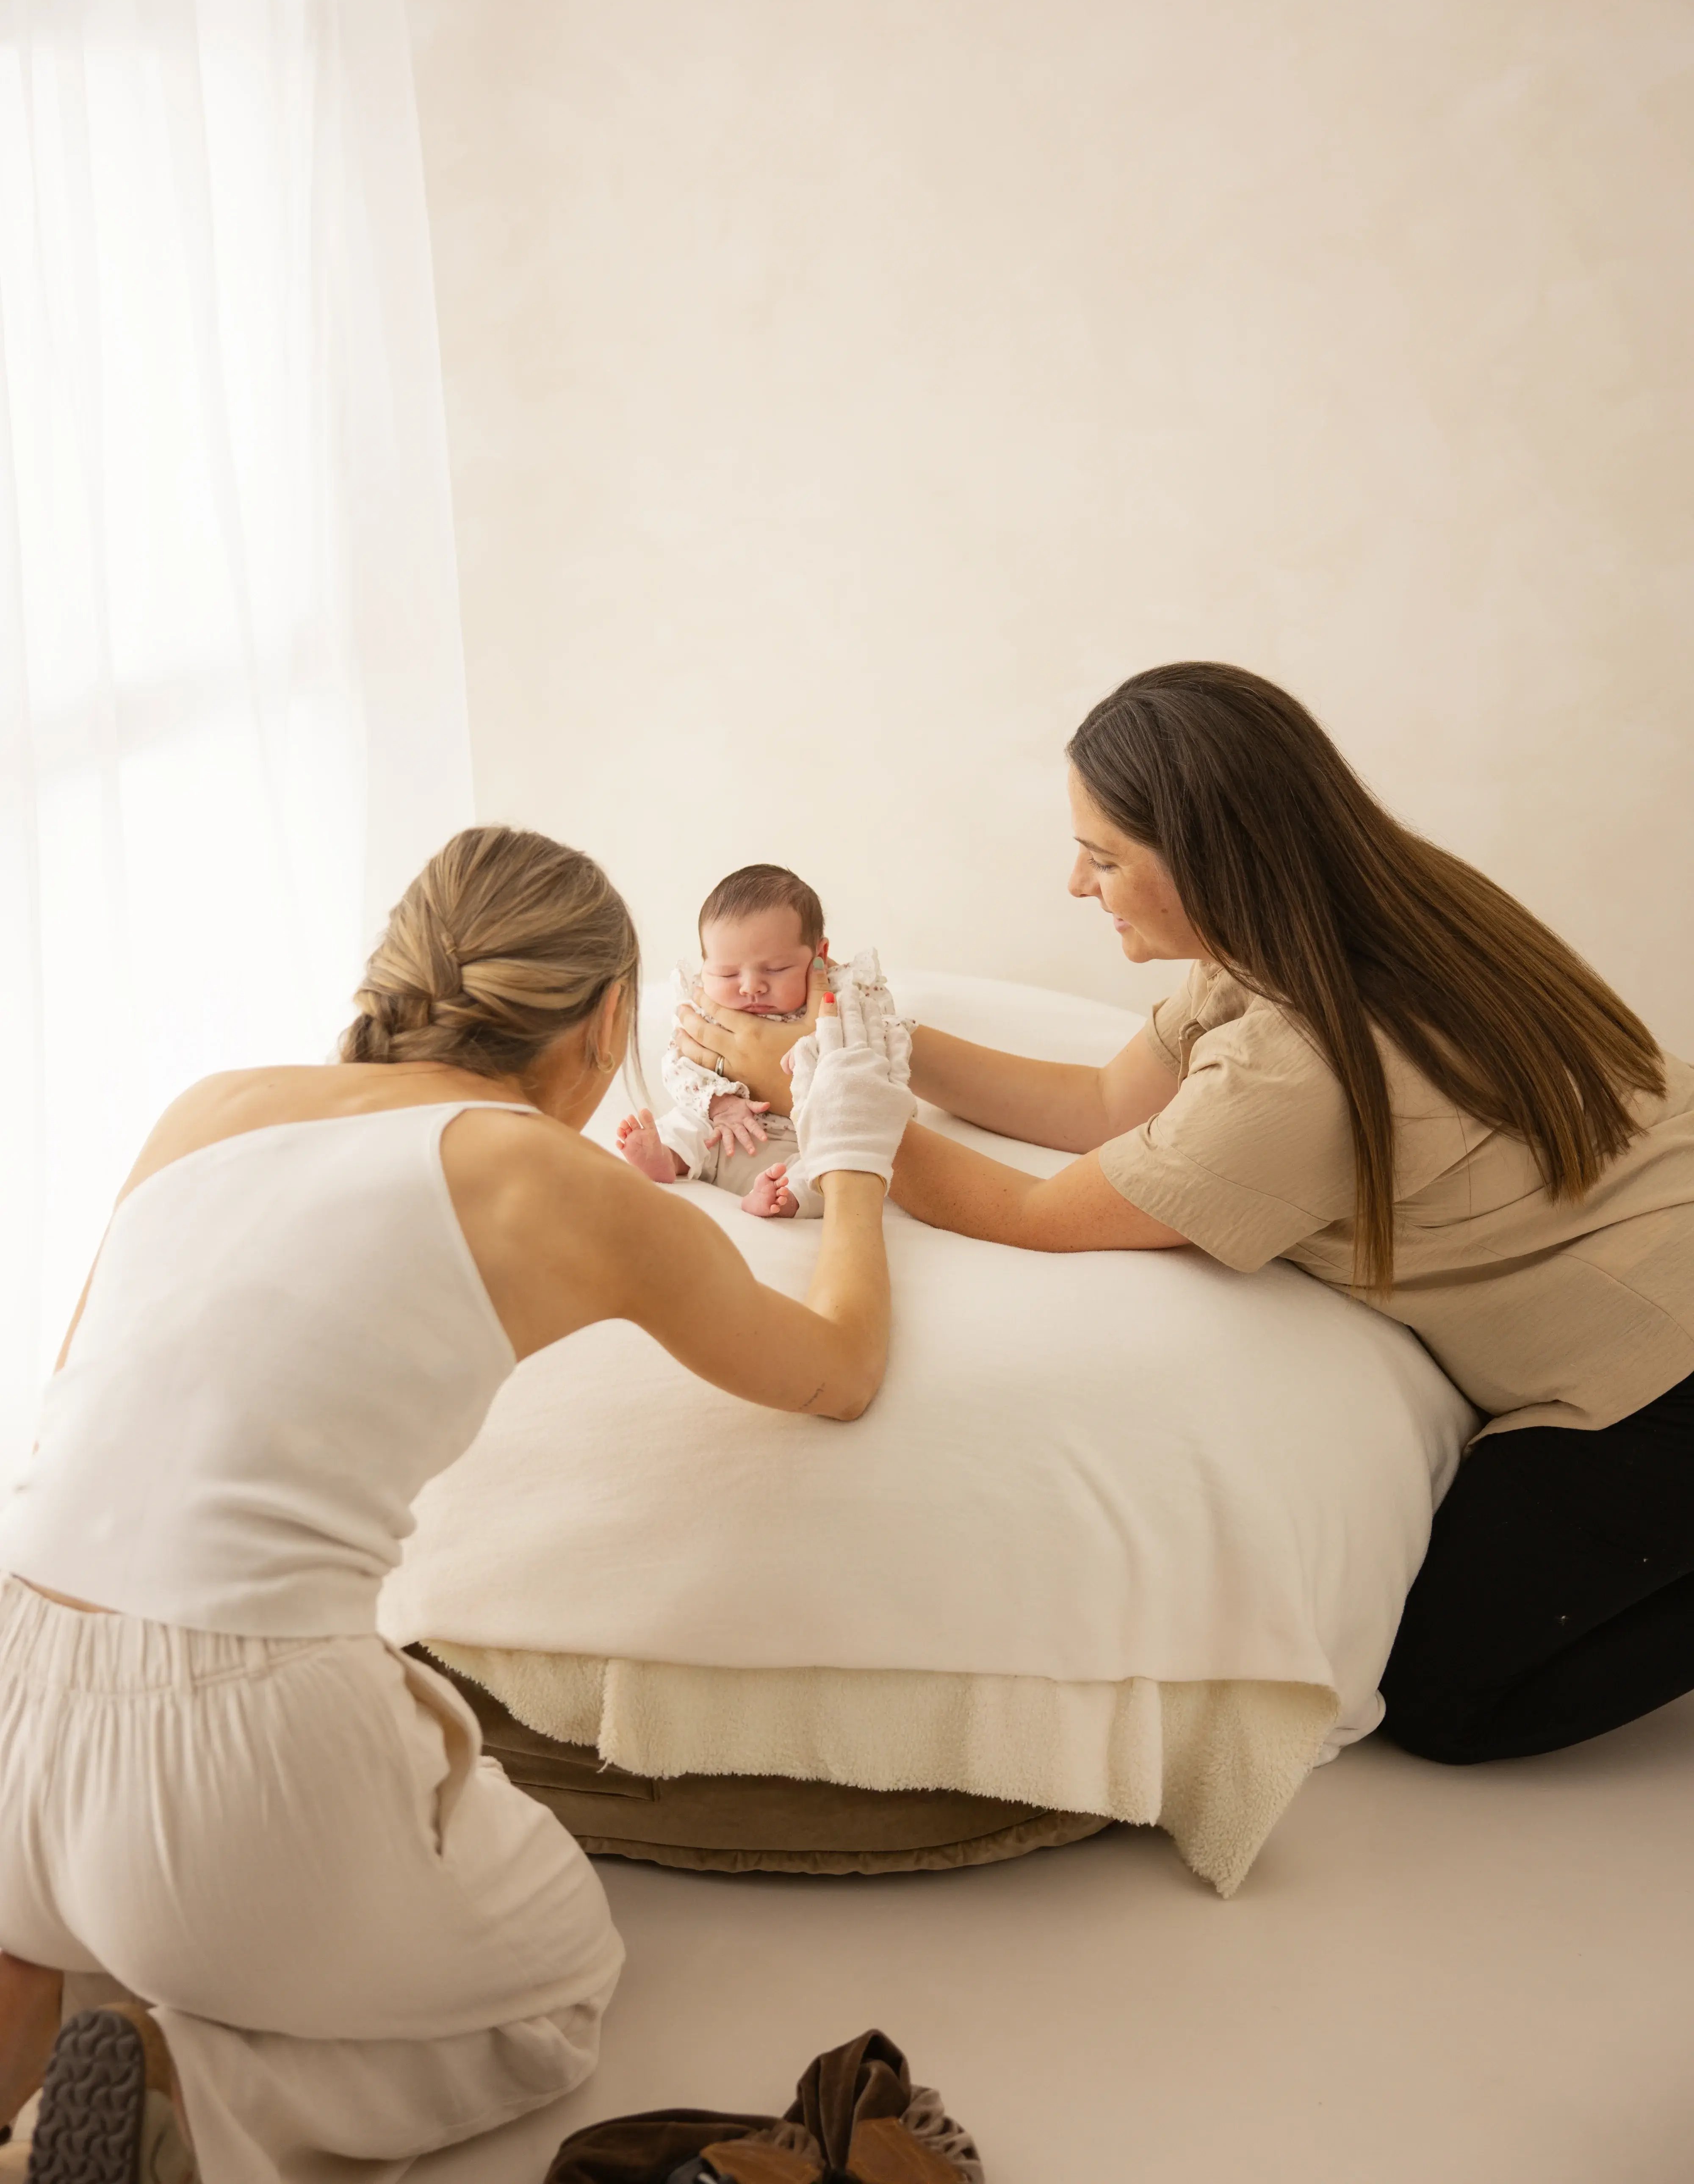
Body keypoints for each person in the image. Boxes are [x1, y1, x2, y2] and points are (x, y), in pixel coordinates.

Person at [0, 826, 913, 2184]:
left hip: (10, 1673)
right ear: (610, 1020)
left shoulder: (206, 1105)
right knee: (551, 1989)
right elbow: (836, 1367)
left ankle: (24, 2107)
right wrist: (855, 1151)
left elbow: (79, 1408)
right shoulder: (550, 1180)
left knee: (44, 1939)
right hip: (229, 1742)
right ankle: (186, 2098)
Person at [676, 663, 1694, 1771]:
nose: (1076, 883)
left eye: (1105, 857)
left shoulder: (1296, 1067)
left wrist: (820, 1100)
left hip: (1664, 1365)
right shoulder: (1338, 916)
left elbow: (1031, 1210)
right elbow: (1103, 1104)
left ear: (1208, 856)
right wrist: (864, 1035)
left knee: (1444, 1695)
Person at [618, 862, 894, 1221]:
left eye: (776, 970)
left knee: (833, 1168)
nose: (751, 986)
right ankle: (667, 1157)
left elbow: (874, 1060)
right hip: (723, 1131)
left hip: (800, 1139)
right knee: (685, 1123)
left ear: (819, 957)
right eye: (728, 973)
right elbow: (678, 1064)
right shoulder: (705, 1011)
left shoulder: (845, 1002)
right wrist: (719, 1103)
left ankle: (781, 1197)